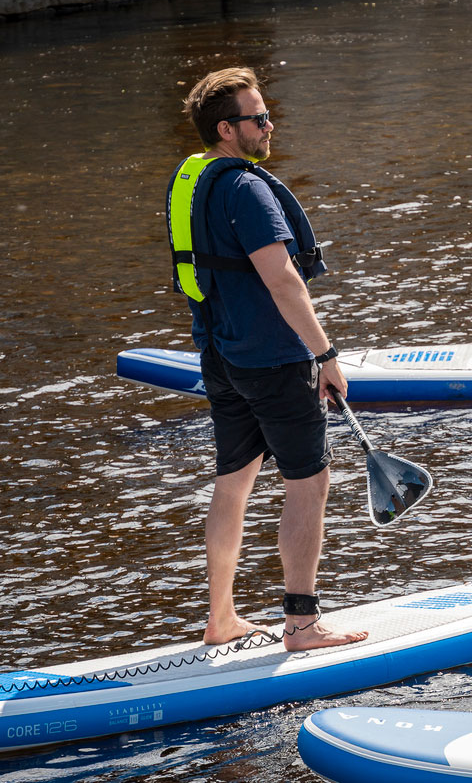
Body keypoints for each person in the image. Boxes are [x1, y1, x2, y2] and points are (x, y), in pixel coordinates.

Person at [166, 67, 368, 652]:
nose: (268, 123)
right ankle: (302, 624)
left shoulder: (198, 182)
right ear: (227, 129)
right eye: (258, 117)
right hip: (272, 360)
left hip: (222, 356)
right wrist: (325, 354)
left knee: (233, 482)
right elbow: (284, 281)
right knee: (309, 481)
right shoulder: (247, 189)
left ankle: (221, 618)